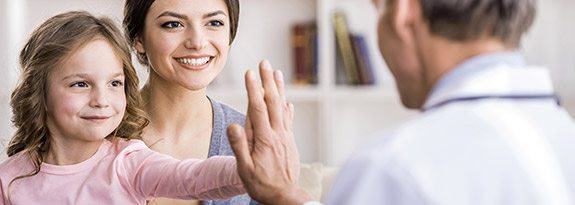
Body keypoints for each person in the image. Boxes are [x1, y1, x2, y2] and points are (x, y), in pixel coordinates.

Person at [231, 0, 575, 204]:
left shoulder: (393, 168)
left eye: (378, 8)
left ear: (403, 12)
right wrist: (286, 195)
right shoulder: (562, 136)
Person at [0, 10, 309, 205]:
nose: (101, 100)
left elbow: (191, 176)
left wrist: (250, 169)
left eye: (115, 84)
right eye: (80, 84)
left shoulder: (128, 161)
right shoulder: (9, 179)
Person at [122, 1, 250, 204]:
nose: (197, 42)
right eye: (173, 24)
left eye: (214, 23)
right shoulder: (100, 129)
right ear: (138, 38)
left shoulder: (252, 138)